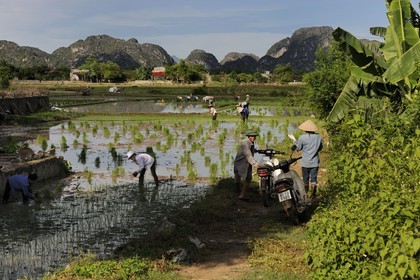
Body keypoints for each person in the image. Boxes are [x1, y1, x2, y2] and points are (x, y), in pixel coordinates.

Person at [289, 119, 323, 199]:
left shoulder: (302, 137)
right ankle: (313, 194)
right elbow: (320, 148)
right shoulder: (318, 137)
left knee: (305, 179)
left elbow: (298, 148)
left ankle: (305, 194)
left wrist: (294, 141)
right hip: (314, 162)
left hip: (305, 162)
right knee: (314, 179)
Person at [233, 131, 259, 201]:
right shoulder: (245, 144)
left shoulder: (251, 143)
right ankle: (238, 194)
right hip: (240, 163)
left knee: (248, 178)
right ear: (248, 137)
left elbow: (250, 152)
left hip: (247, 163)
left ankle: (242, 195)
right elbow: (248, 155)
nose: (253, 138)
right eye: (252, 136)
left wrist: (257, 151)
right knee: (237, 181)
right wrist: (255, 164)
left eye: (254, 136)